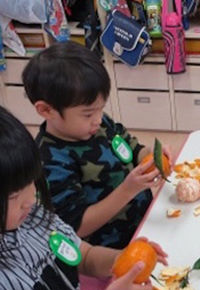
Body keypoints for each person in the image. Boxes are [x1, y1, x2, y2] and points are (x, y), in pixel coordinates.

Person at [0, 107, 168, 290]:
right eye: (12, 197)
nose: (30, 200)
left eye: (31, 182)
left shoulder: (32, 216)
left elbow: (83, 256)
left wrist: (122, 260)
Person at [23, 41, 171, 249]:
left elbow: (132, 148)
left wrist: (152, 156)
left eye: (101, 109)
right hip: (110, 251)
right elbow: (78, 227)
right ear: (46, 110)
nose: (99, 119)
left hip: (145, 225)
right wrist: (128, 189)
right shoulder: (50, 160)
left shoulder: (99, 124)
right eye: (88, 113)